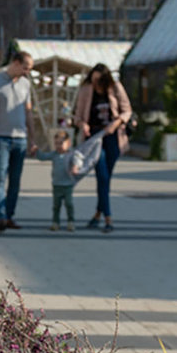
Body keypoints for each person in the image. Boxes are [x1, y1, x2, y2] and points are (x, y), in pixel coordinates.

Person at [73, 62, 133, 233]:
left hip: (112, 137)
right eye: (93, 80)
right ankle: (108, 218)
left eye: (99, 81)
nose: (96, 84)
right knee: (102, 175)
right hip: (94, 139)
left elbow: (127, 110)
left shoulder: (115, 88)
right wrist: (82, 124)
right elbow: (77, 115)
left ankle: (97, 215)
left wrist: (116, 123)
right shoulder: (85, 90)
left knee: (106, 178)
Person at [0, 50, 36, 232]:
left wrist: (32, 138)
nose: (27, 72)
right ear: (15, 63)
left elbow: (28, 112)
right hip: (0, 138)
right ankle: (0, 216)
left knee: (15, 180)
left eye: (29, 69)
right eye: (25, 68)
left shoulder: (25, 85)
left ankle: (9, 215)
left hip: (20, 138)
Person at [37, 128, 82, 231]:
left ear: (68, 143)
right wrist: (37, 151)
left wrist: (75, 167)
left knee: (69, 204)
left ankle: (71, 222)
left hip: (67, 185)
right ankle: (55, 222)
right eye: (56, 143)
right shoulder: (54, 154)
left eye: (61, 143)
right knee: (56, 206)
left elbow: (78, 160)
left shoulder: (71, 154)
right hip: (57, 185)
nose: (58, 146)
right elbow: (43, 157)